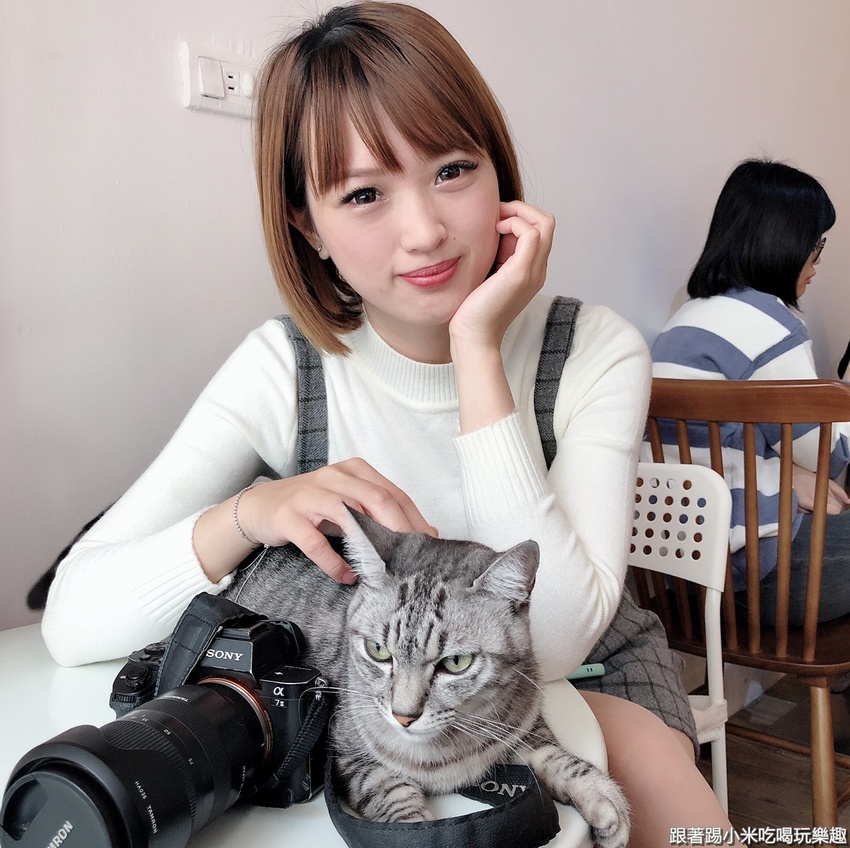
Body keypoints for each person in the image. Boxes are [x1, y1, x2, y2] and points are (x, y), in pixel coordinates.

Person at [41, 3, 742, 843]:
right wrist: (250, 513)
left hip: (590, 663)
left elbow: (552, 639)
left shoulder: (594, 350)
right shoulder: (284, 368)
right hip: (376, 697)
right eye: (365, 193)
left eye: (454, 169)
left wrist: (475, 349)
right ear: (308, 225)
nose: (426, 231)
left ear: (500, 171)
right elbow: (72, 619)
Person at [651, 158, 850, 625]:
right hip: (755, 574)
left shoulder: (685, 320)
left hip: (676, 572)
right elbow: (831, 454)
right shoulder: (770, 326)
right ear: (784, 241)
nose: (817, 262)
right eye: (816, 244)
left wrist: (789, 472)